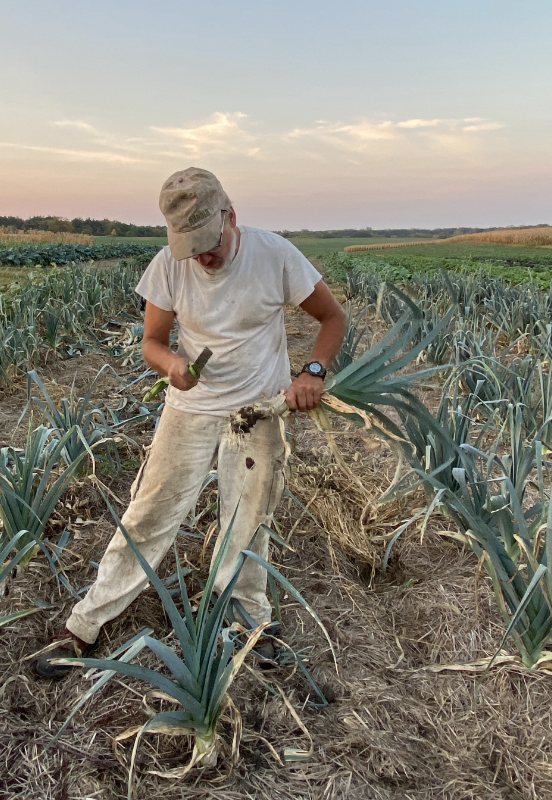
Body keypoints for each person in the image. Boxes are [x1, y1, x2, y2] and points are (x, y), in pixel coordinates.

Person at [35, 167, 346, 678]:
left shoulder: (276, 256)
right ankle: (85, 623)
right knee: (149, 512)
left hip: (257, 412)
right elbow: (152, 342)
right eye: (191, 247)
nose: (203, 257)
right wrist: (171, 365)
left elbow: (333, 318)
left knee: (248, 520)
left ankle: (249, 624)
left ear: (231, 217)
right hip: (190, 409)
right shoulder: (169, 266)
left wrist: (312, 371)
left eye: (211, 243)